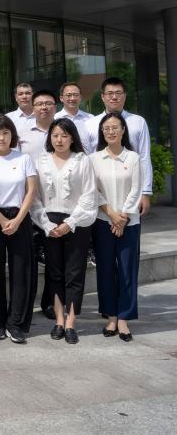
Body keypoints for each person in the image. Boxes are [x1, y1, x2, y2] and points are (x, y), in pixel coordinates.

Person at [32, 118, 98, 345]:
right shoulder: (41, 160)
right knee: (55, 273)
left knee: (74, 273)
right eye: (55, 135)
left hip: (77, 222)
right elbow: (35, 197)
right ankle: (59, 320)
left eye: (64, 135)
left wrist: (70, 223)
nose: (59, 140)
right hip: (49, 222)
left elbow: (89, 195)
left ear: (72, 138)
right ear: (49, 137)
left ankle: (71, 323)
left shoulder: (82, 160)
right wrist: (47, 225)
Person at [0, 115, 38, 344]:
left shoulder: (23, 158)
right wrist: (2, 220)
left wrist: (18, 219)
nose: (1, 137)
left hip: (20, 217)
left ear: (12, 135)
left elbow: (31, 191)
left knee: (21, 271)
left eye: (5, 133)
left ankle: (16, 323)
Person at [90, 112, 142, 342]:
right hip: (103, 222)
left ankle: (124, 318)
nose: (110, 131)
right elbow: (93, 190)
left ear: (123, 130)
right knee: (105, 270)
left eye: (115, 127)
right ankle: (111, 316)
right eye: (106, 128)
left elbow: (136, 189)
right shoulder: (94, 159)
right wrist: (111, 214)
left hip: (129, 223)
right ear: (102, 132)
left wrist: (123, 218)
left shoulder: (133, 157)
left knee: (128, 270)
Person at [92, 77, 153, 217]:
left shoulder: (138, 122)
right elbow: (87, 160)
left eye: (118, 93)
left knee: (130, 226)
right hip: (101, 192)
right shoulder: (91, 123)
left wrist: (145, 193)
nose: (114, 97)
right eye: (110, 93)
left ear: (125, 95)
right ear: (102, 96)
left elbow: (144, 158)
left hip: (132, 191)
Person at [55, 82, 97, 155]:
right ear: (61, 98)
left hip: (87, 159)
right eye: (69, 95)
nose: (72, 98)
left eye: (76, 95)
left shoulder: (90, 118)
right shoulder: (55, 119)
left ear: (80, 98)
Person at [17, 90, 56, 164]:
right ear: (33, 109)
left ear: (55, 108)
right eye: (39, 104)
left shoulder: (65, 131)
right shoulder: (21, 132)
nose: (44, 107)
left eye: (48, 103)